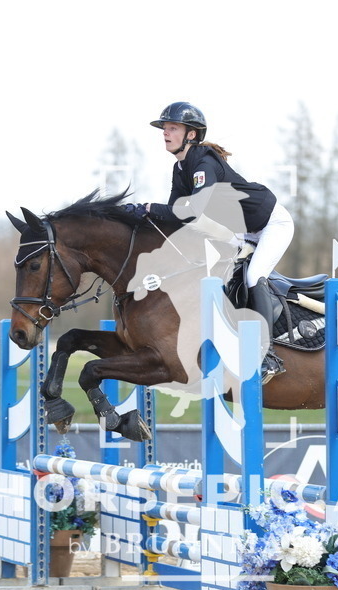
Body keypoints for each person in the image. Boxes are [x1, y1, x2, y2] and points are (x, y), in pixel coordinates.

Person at [122, 102, 294, 384]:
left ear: (191, 134)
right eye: (164, 129)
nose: (165, 133)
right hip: (241, 232)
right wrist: (139, 218)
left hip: (272, 224)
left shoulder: (204, 160)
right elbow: (175, 217)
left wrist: (148, 207)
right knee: (214, 275)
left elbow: (192, 210)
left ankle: (268, 356)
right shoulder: (181, 169)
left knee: (253, 276)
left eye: (172, 128)